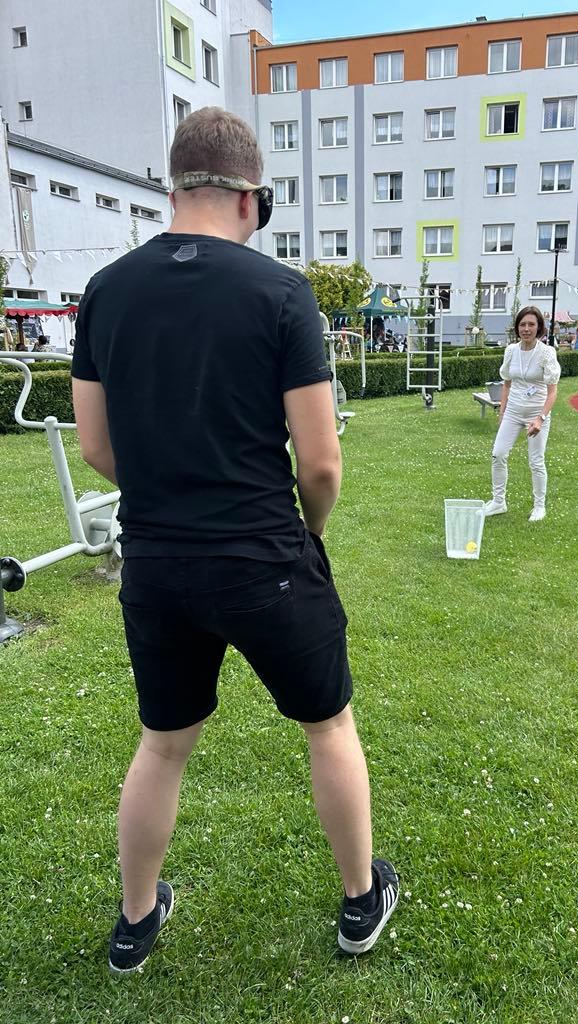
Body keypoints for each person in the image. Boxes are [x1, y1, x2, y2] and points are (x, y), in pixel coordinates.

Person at [71, 107, 398, 976]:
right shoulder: (280, 293)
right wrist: (310, 533)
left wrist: (164, 492)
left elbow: (96, 446)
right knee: (328, 725)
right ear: (253, 197)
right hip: (263, 558)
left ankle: (136, 920)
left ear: (174, 188)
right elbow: (319, 463)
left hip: (156, 562)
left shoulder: (106, 289)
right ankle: (360, 899)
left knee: (163, 743)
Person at [483, 305, 561, 522]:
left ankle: (539, 506)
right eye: (522, 324)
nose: (526, 329)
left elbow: (553, 392)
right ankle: (498, 502)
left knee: (536, 460)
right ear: (517, 327)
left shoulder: (546, 353)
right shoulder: (511, 351)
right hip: (513, 411)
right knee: (498, 454)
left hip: (537, 413)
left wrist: (540, 418)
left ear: (539, 327)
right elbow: (507, 384)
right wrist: (502, 412)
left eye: (531, 324)